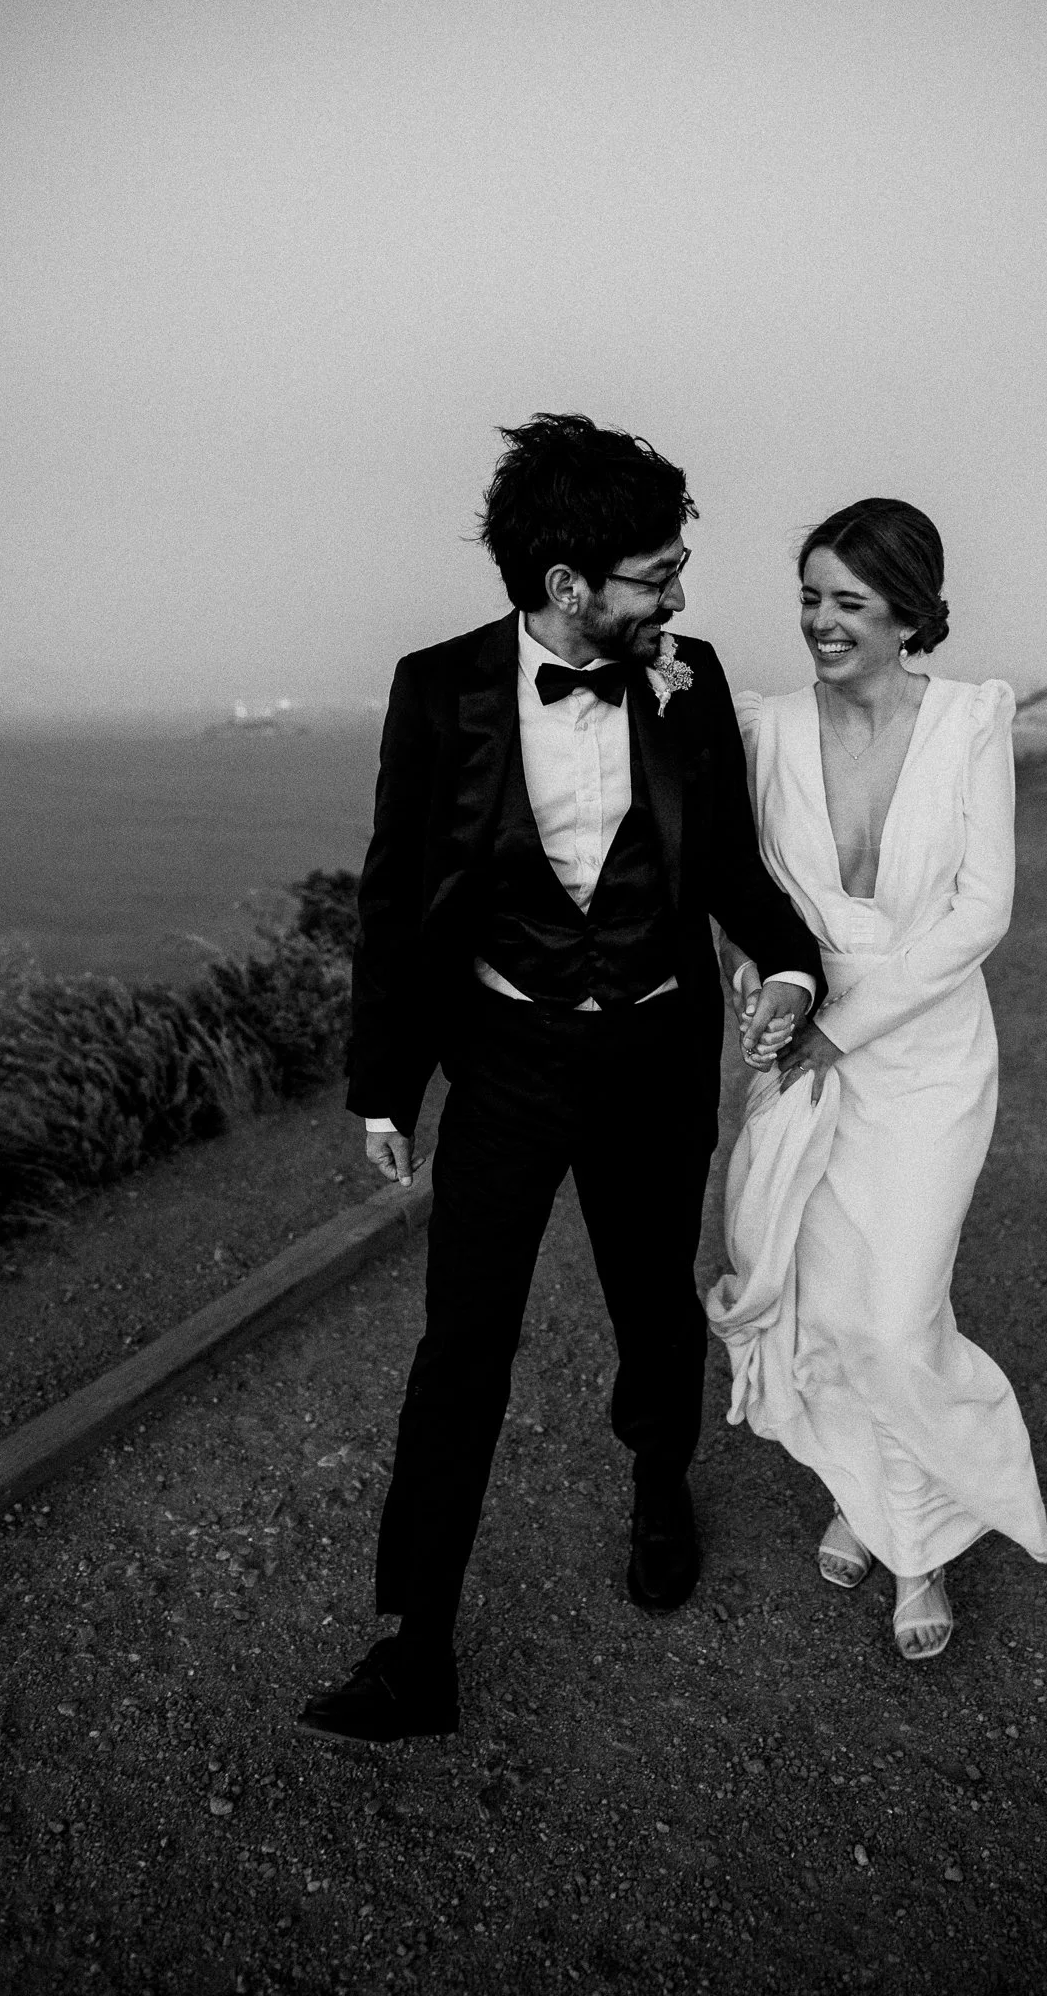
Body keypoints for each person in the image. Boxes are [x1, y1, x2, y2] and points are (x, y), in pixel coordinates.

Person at [298, 414, 825, 1744]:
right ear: (565, 590)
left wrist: (790, 971)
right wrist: (381, 1088)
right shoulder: (438, 690)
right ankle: (412, 1646)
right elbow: (394, 898)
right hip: (505, 1064)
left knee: (652, 1299)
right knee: (458, 1344)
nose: (680, 596)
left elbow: (725, 872)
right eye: (656, 574)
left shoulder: (686, 679)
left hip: (653, 1055)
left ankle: (660, 1482)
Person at [707, 498, 1047, 1662]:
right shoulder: (762, 730)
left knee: (899, 1313)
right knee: (827, 1296)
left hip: (921, 1058)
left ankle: (928, 1536)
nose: (819, 620)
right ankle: (879, 1506)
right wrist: (764, 994)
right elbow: (743, 900)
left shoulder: (970, 721)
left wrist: (844, 1025)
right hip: (802, 1049)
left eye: (847, 600)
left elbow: (980, 912)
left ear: (910, 611)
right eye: (808, 595)